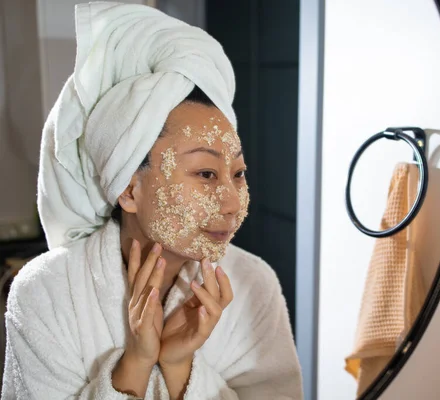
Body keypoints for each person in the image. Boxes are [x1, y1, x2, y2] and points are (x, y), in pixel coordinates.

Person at [1, 3, 302, 399]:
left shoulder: (254, 283)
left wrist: (178, 367)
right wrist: (135, 365)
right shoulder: (47, 292)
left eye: (239, 173)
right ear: (128, 188)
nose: (232, 204)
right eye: (206, 174)